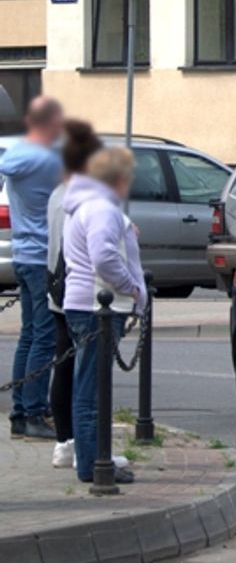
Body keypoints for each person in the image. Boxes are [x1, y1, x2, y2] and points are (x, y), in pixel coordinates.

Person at [64, 146, 146, 484]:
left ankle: (95, 460)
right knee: (92, 391)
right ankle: (95, 466)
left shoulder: (84, 206)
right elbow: (103, 256)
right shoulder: (101, 209)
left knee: (89, 387)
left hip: (83, 304)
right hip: (98, 307)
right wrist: (133, 289)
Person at [1, 96, 64, 441]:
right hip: (43, 258)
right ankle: (33, 412)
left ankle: (21, 411)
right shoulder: (48, 160)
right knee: (44, 336)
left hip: (24, 254)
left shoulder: (15, 156)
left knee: (28, 336)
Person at [46, 121, 103, 467]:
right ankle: (84, 448)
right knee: (82, 372)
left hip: (57, 286)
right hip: (80, 292)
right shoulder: (83, 199)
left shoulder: (57, 195)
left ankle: (64, 441)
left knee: (63, 365)